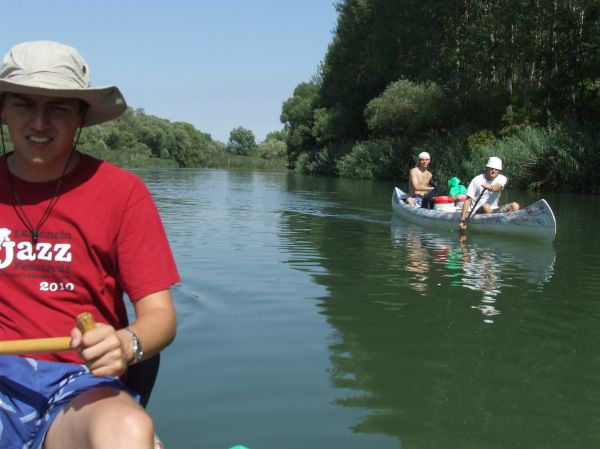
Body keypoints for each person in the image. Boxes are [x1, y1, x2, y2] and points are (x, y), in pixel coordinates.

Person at [0, 41, 179, 449]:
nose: (40, 122)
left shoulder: (123, 193)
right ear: (4, 109)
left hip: (80, 385)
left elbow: (160, 317)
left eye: (59, 107)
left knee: (129, 432)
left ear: (81, 115)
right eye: (25, 105)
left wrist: (125, 343)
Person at [458, 156, 520, 231]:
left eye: (496, 169)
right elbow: (468, 200)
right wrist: (462, 219)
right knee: (486, 206)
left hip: (494, 209)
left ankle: (507, 225)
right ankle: (492, 227)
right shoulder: (476, 180)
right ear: (487, 168)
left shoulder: (502, 178)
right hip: (477, 210)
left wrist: (490, 187)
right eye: (491, 168)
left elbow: (498, 187)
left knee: (515, 205)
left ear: (499, 170)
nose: (493, 171)